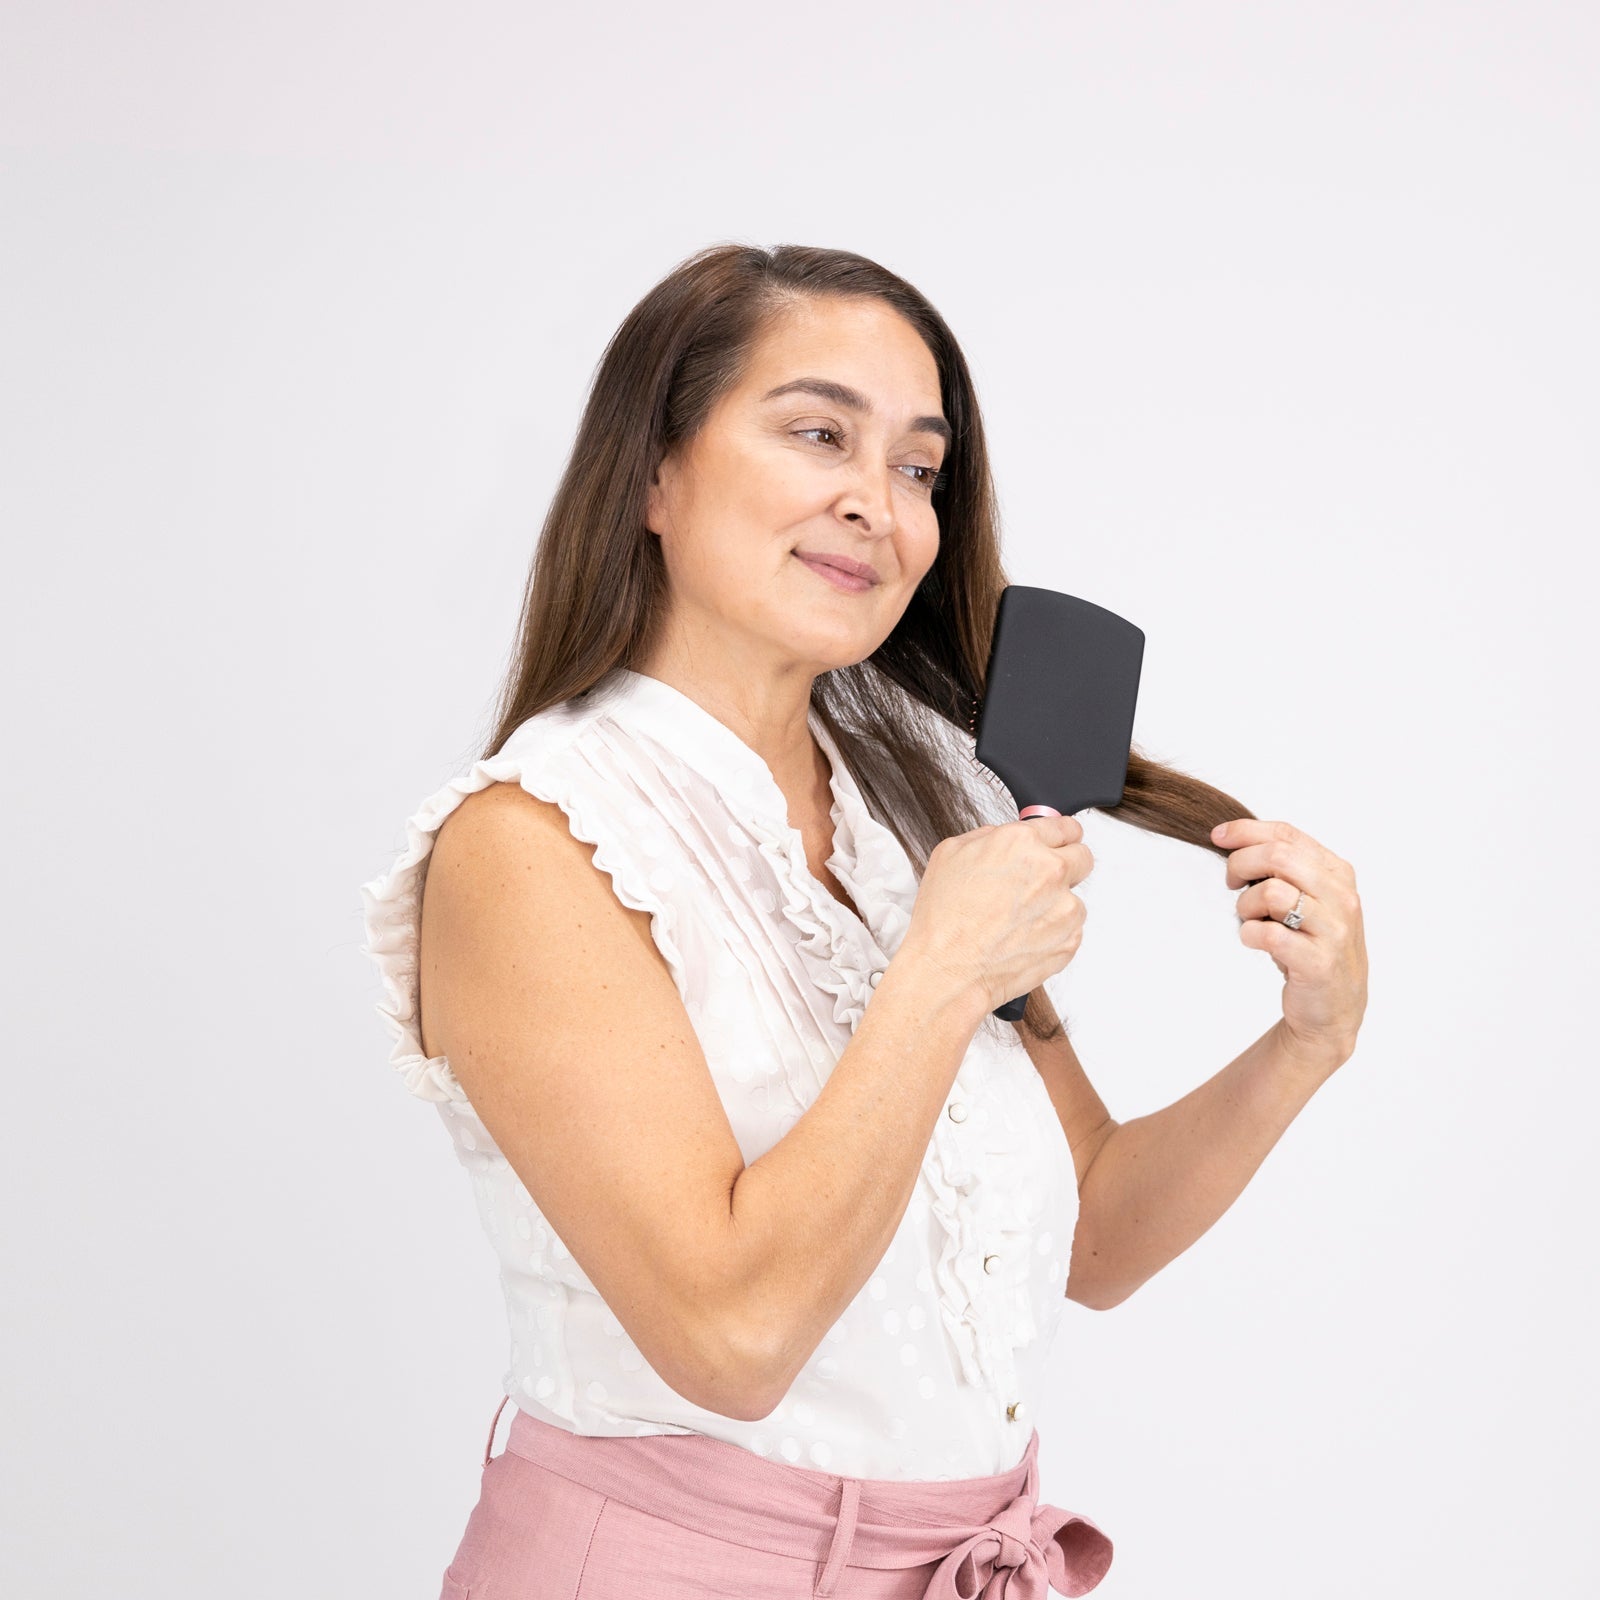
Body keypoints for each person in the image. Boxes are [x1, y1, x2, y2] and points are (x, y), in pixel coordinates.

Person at [358, 242, 1369, 1598]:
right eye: (816, 434)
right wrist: (940, 978)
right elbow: (731, 1336)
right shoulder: (531, 846)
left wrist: (1304, 1044)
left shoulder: (923, 816)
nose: (875, 505)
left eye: (916, 466)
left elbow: (1094, 1239)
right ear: (651, 473)